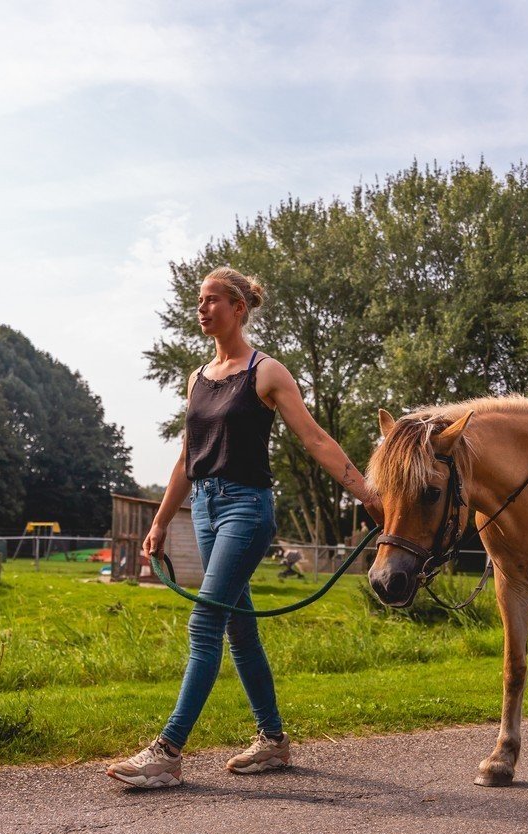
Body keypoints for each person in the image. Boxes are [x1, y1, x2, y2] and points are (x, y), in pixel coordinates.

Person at [106, 267, 383, 789]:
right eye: (199, 301)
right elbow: (189, 457)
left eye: (212, 300)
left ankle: (167, 751)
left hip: (246, 509)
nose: (202, 308)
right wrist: (161, 520)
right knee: (238, 625)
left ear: (238, 307)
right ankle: (273, 740)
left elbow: (317, 440)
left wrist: (369, 495)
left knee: (204, 623)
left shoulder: (266, 372)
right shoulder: (197, 378)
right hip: (207, 509)